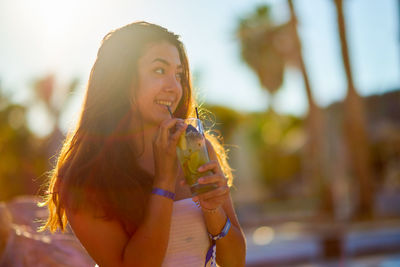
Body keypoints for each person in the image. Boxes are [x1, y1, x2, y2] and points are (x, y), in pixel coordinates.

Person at [39, 21, 246, 267]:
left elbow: (234, 262)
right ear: (121, 79)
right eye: (159, 71)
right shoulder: (83, 177)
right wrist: (164, 181)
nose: (174, 87)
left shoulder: (196, 148)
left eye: (178, 75)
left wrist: (213, 210)